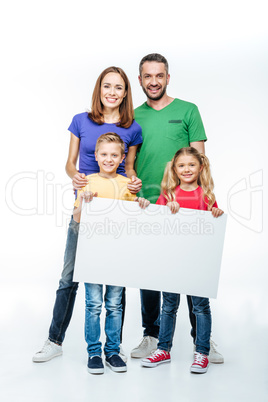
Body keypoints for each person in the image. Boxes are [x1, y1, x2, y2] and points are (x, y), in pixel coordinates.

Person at [33, 66, 142, 363]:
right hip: (86, 207)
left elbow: (128, 167)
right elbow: (70, 163)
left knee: (115, 280)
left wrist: (133, 180)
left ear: (125, 93)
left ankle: (112, 349)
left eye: (118, 87)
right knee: (69, 277)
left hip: (116, 211)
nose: (112, 92)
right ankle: (54, 340)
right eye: (107, 86)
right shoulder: (81, 121)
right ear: (99, 89)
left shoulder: (132, 128)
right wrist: (77, 178)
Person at [131, 53, 224, 364]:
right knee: (151, 275)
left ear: (168, 78)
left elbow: (202, 161)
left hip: (187, 207)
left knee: (193, 273)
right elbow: (127, 161)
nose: (154, 81)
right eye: (148, 76)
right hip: (149, 204)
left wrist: (208, 199)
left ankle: (203, 341)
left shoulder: (188, 110)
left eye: (160, 75)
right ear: (140, 79)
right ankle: (152, 335)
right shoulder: (133, 116)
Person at [141, 146, 224, 373]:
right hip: (171, 261)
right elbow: (156, 224)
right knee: (168, 306)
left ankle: (202, 351)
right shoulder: (168, 196)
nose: (186, 169)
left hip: (197, 263)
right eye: (181, 165)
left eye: (191, 165)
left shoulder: (207, 196)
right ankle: (164, 349)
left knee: (200, 307)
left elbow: (212, 229)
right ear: (175, 170)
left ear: (200, 167)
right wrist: (167, 208)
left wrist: (214, 213)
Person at [73, 133, 149, 374]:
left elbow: (133, 216)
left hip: (118, 255)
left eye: (114, 155)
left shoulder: (128, 183)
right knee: (94, 304)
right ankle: (94, 352)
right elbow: (77, 218)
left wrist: (142, 204)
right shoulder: (87, 182)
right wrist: (85, 203)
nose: (108, 159)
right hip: (92, 254)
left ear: (122, 157)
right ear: (95, 156)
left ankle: (113, 351)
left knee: (115, 305)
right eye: (104, 154)